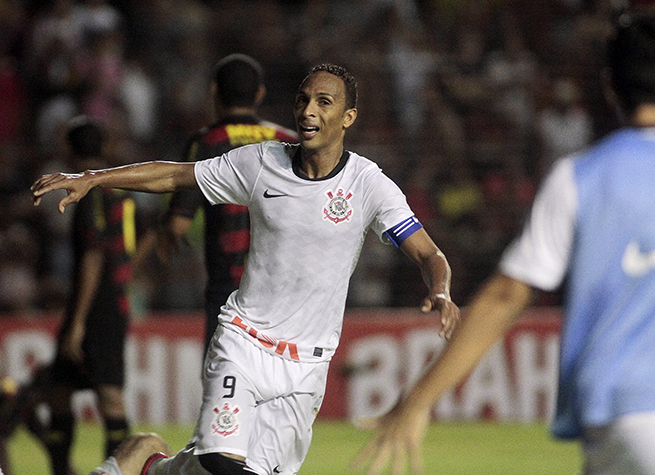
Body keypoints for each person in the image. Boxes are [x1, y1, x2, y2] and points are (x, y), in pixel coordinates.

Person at [32, 63, 460, 475]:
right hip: (245, 340)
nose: (309, 110)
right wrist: (94, 177)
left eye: (324, 102)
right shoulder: (261, 162)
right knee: (221, 459)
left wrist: (440, 289)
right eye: (303, 98)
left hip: (307, 366)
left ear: (348, 117)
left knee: (220, 469)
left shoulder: (369, 185)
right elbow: (176, 177)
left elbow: (429, 254)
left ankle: (149, 465)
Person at [355, 12, 655, 475]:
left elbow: (506, 295)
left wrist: (418, 400)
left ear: (609, 86)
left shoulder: (580, 178)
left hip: (628, 417)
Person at [137, 53, 297, 350]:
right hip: (284, 287)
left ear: (213, 91)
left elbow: (179, 224)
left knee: (224, 383)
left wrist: (164, 233)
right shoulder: (288, 141)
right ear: (260, 94)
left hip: (231, 286)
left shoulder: (208, 142)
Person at [25, 116, 137, 475]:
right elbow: (142, 239)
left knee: (109, 395)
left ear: (69, 151)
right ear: (104, 148)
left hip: (96, 308)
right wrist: (126, 275)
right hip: (113, 300)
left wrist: (76, 323)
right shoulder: (121, 188)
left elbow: (92, 255)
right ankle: (64, 471)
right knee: (59, 388)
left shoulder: (87, 191)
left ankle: (118, 470)